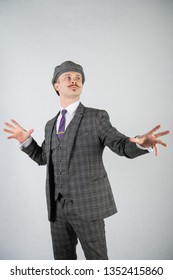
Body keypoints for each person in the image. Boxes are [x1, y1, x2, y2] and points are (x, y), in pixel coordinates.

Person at [4, 61, 170, 260]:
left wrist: (142, 143)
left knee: (97, 262)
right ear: (56, 86)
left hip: (87, 206)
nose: (74, 81)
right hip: (57, 209)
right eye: (68, 77)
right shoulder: (50, 125)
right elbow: (44, 158)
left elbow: (119, 144)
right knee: (62, 263)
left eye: (78, 78)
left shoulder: (96, 117)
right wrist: (27, 142)